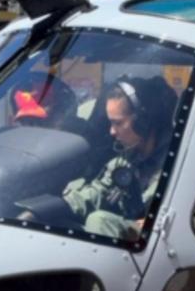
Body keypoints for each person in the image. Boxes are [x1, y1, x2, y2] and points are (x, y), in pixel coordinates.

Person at [59, 76, 176, 240]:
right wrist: (54, 207)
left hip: (159, 243)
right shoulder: (125, 161)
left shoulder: (178, 165)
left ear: (143, 121)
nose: (112, 132)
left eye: (118, 123)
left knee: (99, 221)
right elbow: (97, 193)